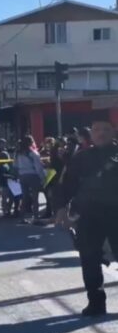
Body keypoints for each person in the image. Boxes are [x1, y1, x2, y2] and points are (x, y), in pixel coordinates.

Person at [56, 119, 118, 317]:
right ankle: (96, 302)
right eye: (97, 129)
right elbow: (67, 184)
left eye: (105, 130)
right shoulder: (81, 158)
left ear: (113, 132)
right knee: (89, 259)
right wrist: (60, 209)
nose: (101, 133)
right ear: (91, 133)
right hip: (89, 215)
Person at [14, 136, 46, 224]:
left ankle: (22, 218)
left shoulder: (18, 153)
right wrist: (43, 178)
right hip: (33, 175)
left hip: (22, 176)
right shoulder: (33, 153)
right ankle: (36, 218)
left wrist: (18, 175)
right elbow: (38, 167)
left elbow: (15, 166)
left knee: (25, 197)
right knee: (35, 197)